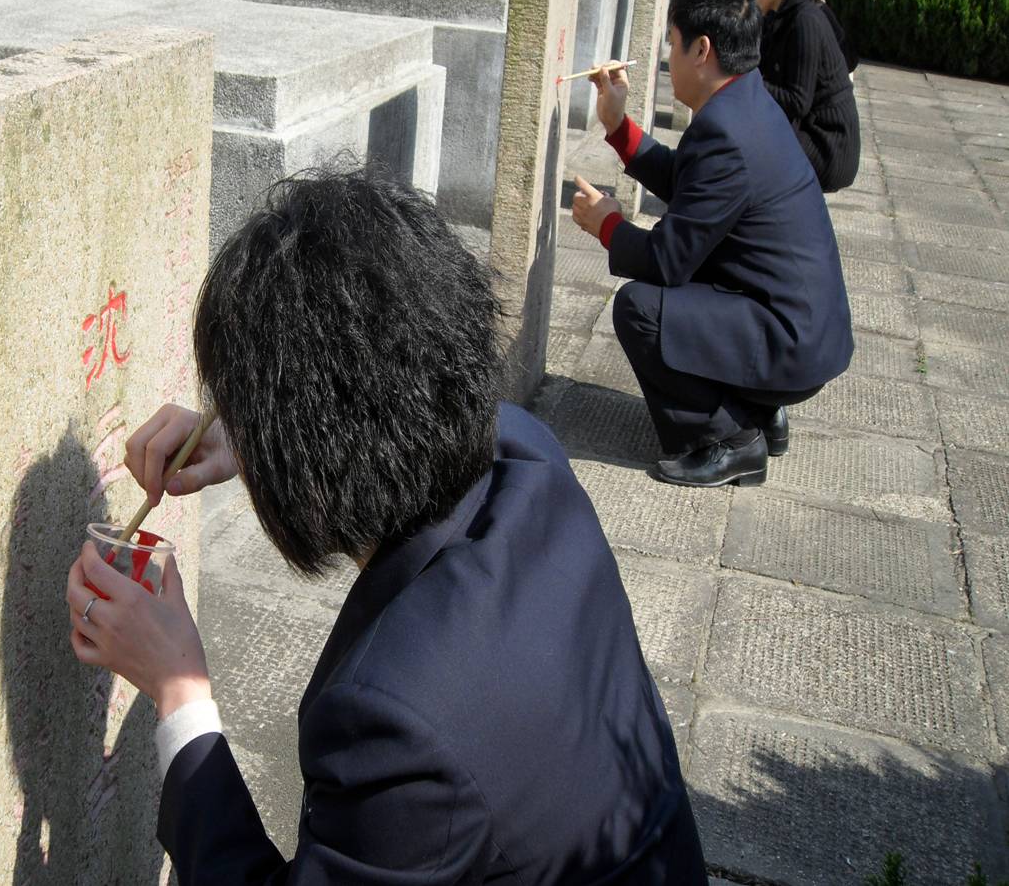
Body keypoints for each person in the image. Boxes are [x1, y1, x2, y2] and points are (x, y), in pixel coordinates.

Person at [64, 168, 708, 884]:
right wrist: (253, 446)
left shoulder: (397, 727)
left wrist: (180, 690)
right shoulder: (529, 454)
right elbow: (378, 393)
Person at [571, 0, 853, 488]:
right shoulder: (746, 101)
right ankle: (760, 409)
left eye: (672, 44)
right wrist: (618, 128)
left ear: (701, 50)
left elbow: (665, 261)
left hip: (790, 342)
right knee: (684, 293)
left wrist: (607, 223)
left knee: (641, 309)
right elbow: (696, 187)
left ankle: (726, 439)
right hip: (806, 329)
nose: (669, 57)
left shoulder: (725, 131)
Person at [745, 0, 861, 191]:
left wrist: (750, 81)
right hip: (812, 132)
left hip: (829, 145)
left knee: (749, 150)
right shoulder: (783, 16)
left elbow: (798, 101)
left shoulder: (804, 21)